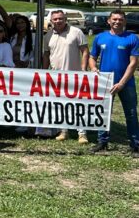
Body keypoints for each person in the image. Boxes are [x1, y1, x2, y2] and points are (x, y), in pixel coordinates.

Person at [89, 10, 139, 157]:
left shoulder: (132, 38)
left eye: (121, 19)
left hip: (126, 83)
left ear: (125, 22)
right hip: (105, 83)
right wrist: (93, 68)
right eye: (115, 19)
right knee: (104, 113)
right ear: (109, 21)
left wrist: (122, 83)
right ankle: (102, 142)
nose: (117, 21)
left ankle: (135, 144)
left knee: (130, 114)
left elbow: (133, 63)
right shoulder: (100, 37)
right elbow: (92, 57)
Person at [42, 10, 89, 142]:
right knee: (60, 104)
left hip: (75, 75)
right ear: (51, 21)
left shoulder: (76, 32)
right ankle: (63, 131)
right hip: (55, 76)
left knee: (78, 104)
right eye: (55, 19)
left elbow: (85, 50)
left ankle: (82, 133)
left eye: (60, 18)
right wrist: (44, 72)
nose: (58, 21)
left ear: (65, 19)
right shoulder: (48, 35)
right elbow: (46, 55)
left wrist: (84, 69)